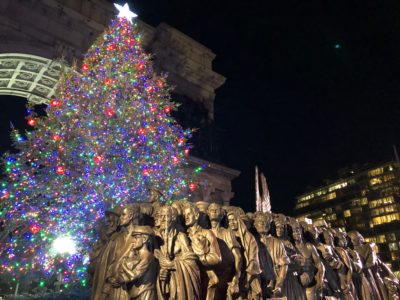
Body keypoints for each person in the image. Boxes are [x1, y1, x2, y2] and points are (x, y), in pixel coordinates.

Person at [155, 205, 200, 300]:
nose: (162, 219)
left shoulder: (181, 237)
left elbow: (191, 260)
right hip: (157, 282)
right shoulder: (156, 237)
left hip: (177, 281)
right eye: (161, 216)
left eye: (166, 216)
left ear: (173, 218)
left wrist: (172, 264)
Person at [183, 202, 222, 300]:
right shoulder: (183, 235)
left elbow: (217, 257)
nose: (186, 217)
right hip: (186, 278)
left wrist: (197, 259)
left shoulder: (207, 233)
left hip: (204, 278)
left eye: (189, 214)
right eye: (184, 215)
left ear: (196, 216)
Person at [207, 202, 242, 299]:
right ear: (207, 213)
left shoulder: (227, 233)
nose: (213, 211)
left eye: (217, 209)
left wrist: (236, 277)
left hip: (226, 276)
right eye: (211, 209)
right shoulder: (205, 233)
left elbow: (237, 256)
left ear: (222, 214)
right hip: (210, 275)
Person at [113, 226, 158, 300]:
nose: (132, 241)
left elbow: (133, 276)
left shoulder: (148, 257)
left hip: (145, 294)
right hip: (134, 294)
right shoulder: (136, 256)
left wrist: (123, 265)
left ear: (144, 239)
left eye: (136, 237)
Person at [227, 209, 262, 300]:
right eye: (229, 220)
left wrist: (248, 275)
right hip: (233, 272)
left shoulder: (249, 237)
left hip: (248, 271)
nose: (232, 222)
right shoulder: (227, 235)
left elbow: (253, 258)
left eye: (233, 219)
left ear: (238, 220)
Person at [253, 212, 289, 299]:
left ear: (269, 225)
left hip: (274, 284)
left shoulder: (277, 242)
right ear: (255, 225)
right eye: (260, 221)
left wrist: (279, 284)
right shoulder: (252, 241)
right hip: (257, 284)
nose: (262, 223)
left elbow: (284, 265)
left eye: (265, 221)